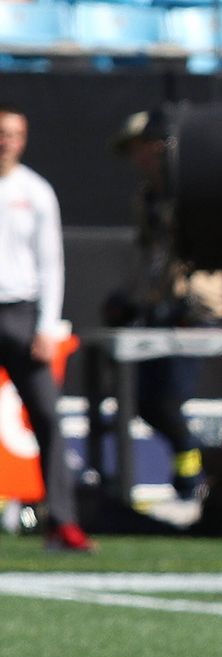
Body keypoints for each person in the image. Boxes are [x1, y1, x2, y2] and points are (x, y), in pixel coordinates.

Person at [107, 109, 222, 505]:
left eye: (143, 149)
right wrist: (132, 296)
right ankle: (190, 454)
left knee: (171, 395)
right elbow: (148, 256)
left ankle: (193, 466)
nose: (139, 159)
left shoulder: (189, 188)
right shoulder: (146, 197)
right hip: (159, 306)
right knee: (145, 397)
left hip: (196, 306)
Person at [0, 105, 92, 552]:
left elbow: (51, 263)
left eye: (13, 134)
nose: (6, 141)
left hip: (20, 313)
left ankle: (62, 520)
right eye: (1, 132)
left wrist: (46, 325)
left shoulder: (36, 191)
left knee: (48, 418)